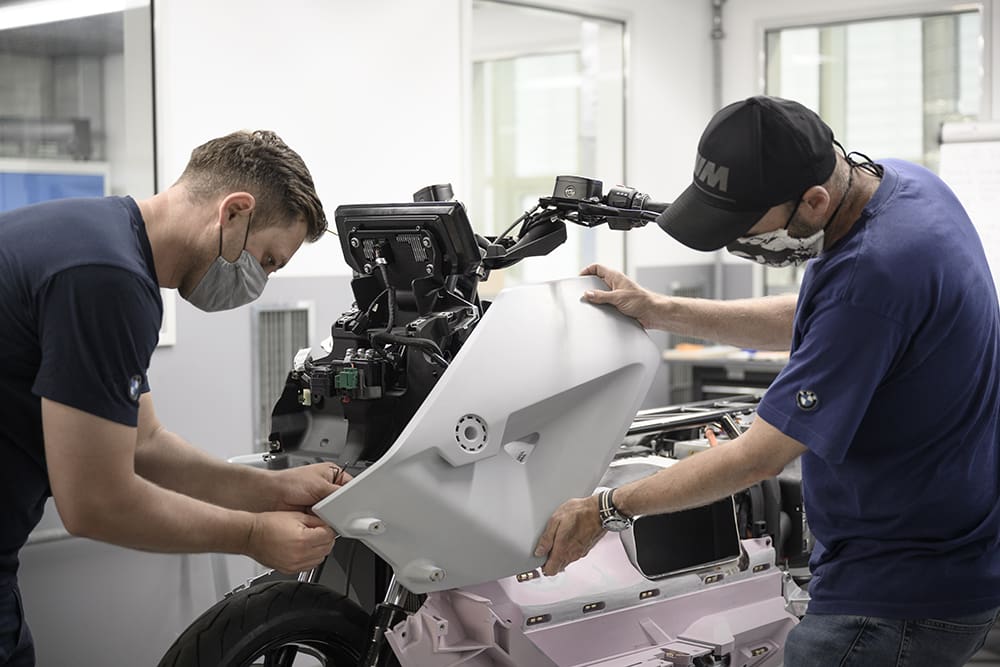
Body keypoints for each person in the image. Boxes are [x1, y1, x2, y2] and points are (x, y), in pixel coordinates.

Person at [534, 96, 1000, 666]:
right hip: (947, 564)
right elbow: (817, 315)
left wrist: (607, 507)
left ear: (814, 201)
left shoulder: (873, 274)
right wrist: (660, 311)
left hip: (894, 601)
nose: (737, 242)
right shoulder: (908, 187)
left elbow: (759, 457)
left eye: (745, 226)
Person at [0, 130, 351, 666]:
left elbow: (146, 444)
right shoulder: (108, 280)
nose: (259, 281)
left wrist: (272, 490)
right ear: (233, 213)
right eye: (267, 260)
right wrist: (253, 535)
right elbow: (96, 503)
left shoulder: (101, 240)